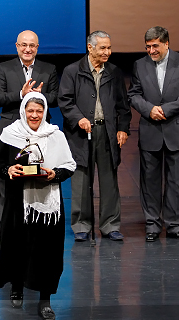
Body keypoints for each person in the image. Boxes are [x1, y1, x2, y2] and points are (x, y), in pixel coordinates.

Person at [0, 92, 76, 320]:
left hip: (48, 204)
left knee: (47, 251)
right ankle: (17, 286)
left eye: (39, 111)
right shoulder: (10, 134)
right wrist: (7, 170)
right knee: (17, 245)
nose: (35, 115)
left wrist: (54, 174)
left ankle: (45, 299)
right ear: (23, 111)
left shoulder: (55, 135)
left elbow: (69, 165)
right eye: (30, 111)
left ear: (45, 111)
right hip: (18, 202)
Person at [58, 31, 131, 242]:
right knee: (81, 179)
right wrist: (78, 118)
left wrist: (123, 128)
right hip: (81, 132)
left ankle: (110, 225)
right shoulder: (73, 71)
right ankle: (82, 224)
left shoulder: (114, 72)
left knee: (109, 180)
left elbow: (122, 105)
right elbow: (65, 101)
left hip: (107, 132)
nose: (107, 52)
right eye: (103, 48)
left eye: (109, 47)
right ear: (90, 48)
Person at [128, 26, 179, 242]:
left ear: (167, 43)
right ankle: (152, 224)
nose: (151, 51)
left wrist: (165, 110)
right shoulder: (140, 65)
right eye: (148, 47)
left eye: (155, 46)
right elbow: (134, 94)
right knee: (149, 181)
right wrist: (149, 109)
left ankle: (174, 224)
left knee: (176, 181)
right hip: (151, 130)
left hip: (177, 130)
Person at [0, 30, 59, 245]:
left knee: (39, 178)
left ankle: (37, 226)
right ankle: (3, 230)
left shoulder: (49, 69)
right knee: (7, 180)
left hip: (40, 133)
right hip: (11, 133)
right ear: (17, 46)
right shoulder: (4, 68)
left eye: (32, 45)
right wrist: (21, 95)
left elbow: (55, 98)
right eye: (24, 45)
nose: (28, 49)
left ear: (37, 48)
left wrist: (36, 97)